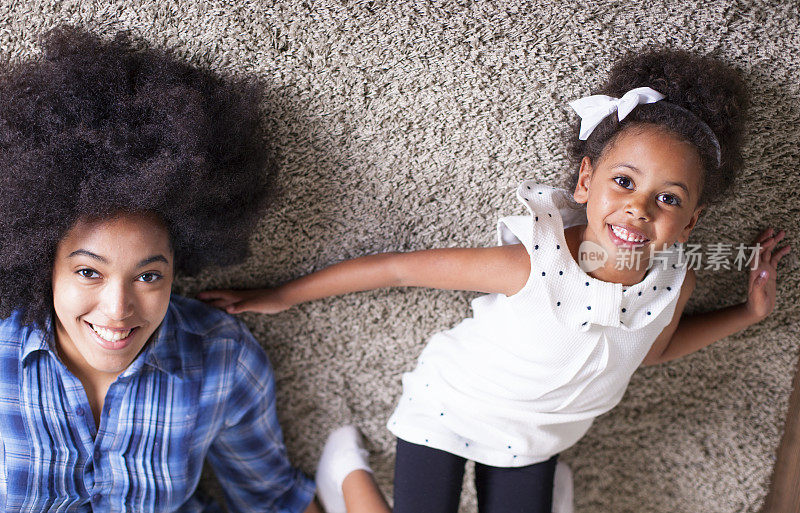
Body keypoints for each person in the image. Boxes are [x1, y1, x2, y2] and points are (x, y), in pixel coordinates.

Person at [200, 48, 792, 513]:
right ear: (585, 180)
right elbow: (398, 267)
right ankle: (345, 472)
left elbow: (651, 353)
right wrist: (279, 295)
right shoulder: (533, 264)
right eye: (623, 182)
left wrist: (747, 314)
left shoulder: (672, 284)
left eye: (667, 199)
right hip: (450, 414)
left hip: (536, 440)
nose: (639, 210)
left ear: (691, 222)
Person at [0, 26, 389, 513]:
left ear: (181, 261)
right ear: (44, 262)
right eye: (88, 273)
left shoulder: (222, 359)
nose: (118, 310)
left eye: (148, 275)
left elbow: (272, 500)